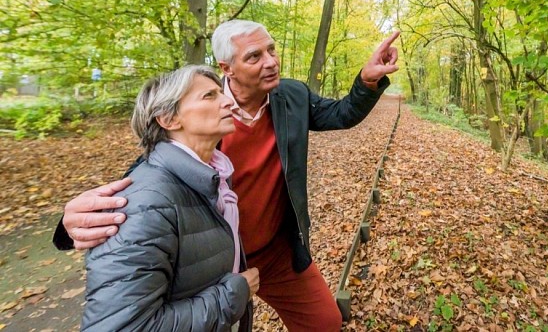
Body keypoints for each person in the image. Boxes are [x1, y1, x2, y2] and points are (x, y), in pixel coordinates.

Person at [55, 20, 399, 331]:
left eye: (272, 50)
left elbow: (339, 114)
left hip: (274, 250)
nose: (270, 61)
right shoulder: (201, 113)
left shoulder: (291, 96)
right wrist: (71, 226)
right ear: (227, 68)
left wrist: (367, 82)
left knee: (324, 322)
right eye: (254, 56)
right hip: (209, 261)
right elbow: (149, 178)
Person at [81, 65, 260, 331]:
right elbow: (127, 326)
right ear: (168, 119)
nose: (228, 102)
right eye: (209, 96)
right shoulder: (145, 205)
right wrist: (234, 294)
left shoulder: (212, 177)